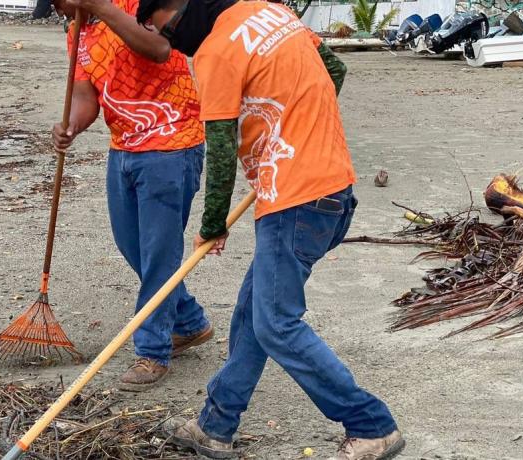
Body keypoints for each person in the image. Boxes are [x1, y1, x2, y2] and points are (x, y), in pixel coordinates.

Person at [135, 0, 405, 459]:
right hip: (332, 188)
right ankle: (215, 426)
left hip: (296, 201)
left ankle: (372, 424)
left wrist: (212, 225)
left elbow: (219, 145)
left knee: (277, 324)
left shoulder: (215, 51)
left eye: (173, 27)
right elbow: (333, 70)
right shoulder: (268, 11)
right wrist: (297, 125)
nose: (175, 39)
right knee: (253, 316)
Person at [37, 0, 215, 391]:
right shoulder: (76, 32)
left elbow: (159, 49)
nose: (55, 7)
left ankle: (153, 351)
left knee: (158, 253)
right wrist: (71, 125)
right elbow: (87, 96)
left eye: (58, 1)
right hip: (125, 147)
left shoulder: (135, 5)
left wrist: (100, 7)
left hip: (173, 143)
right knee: (131, 244)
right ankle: (188, 321)